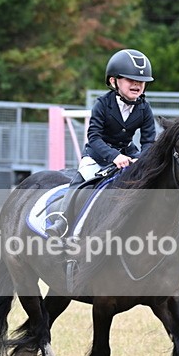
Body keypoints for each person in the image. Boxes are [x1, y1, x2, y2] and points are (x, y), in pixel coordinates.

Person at [46, 48, 156, 237]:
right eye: (130, 80)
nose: (137, 84)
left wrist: (142, 160)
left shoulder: (145, 109)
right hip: (97, 155)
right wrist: (114, 156)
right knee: (81, 182)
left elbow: (149, 142)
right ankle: (62, 221)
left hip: (128, 154)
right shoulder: (103, 104)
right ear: (114, 81)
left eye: (141, 81)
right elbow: (94, 137)